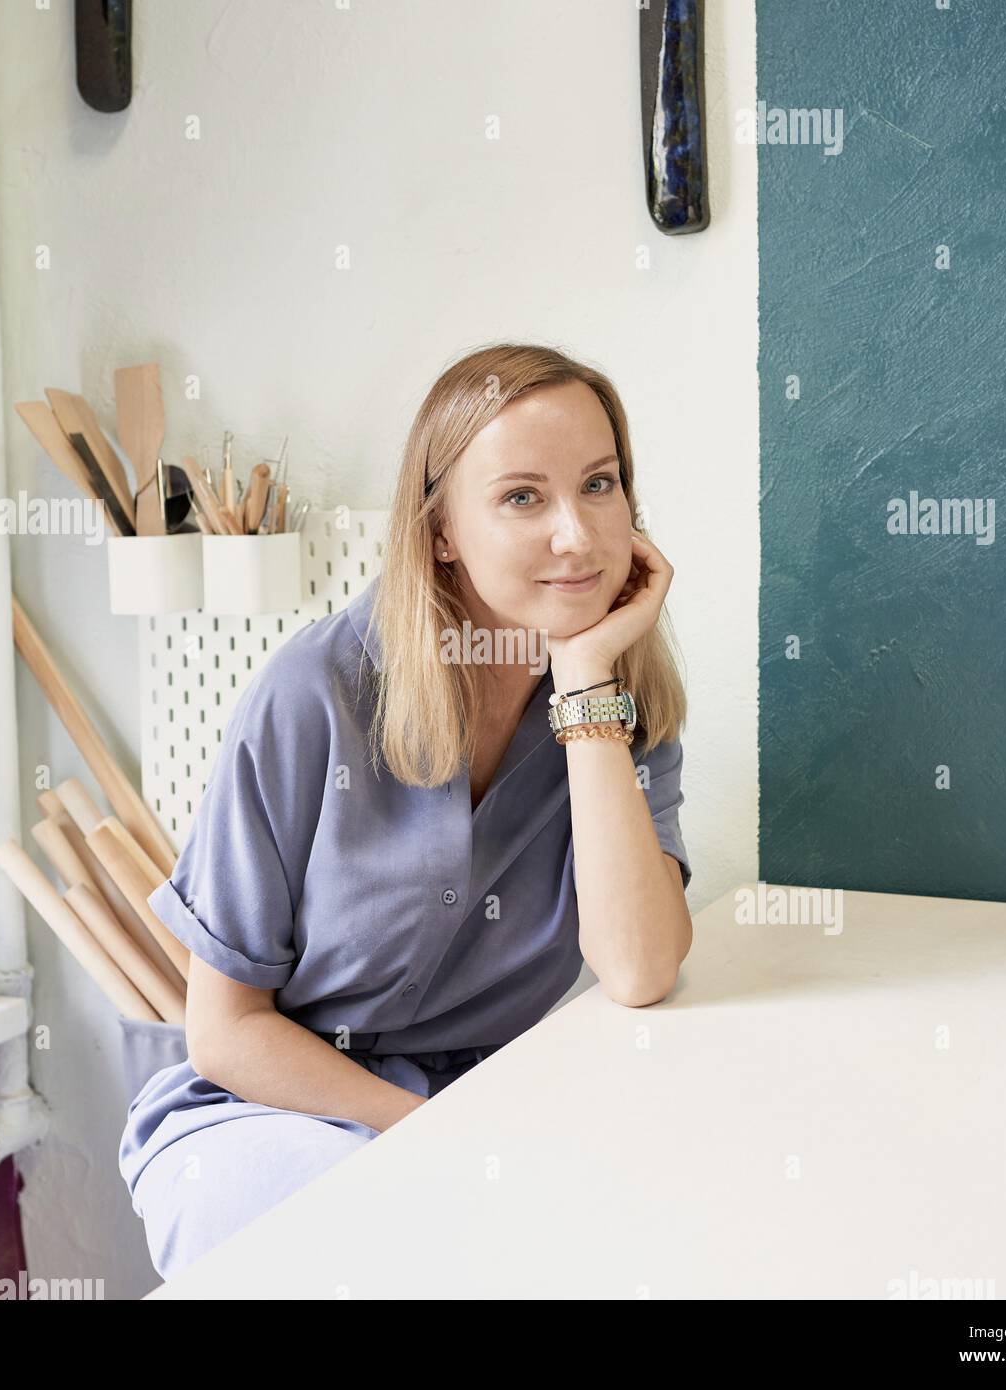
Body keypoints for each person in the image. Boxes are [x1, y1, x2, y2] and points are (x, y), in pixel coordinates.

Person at [117, 342, 694, 1280]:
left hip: (496, 1108)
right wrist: (432, 1136)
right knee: (374, 1239)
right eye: (522, 497)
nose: (579, 537)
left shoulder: (621, 702)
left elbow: (637, 966)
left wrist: (585, 684)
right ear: (440, 532)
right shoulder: (315, 694)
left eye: (600, 484)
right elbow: (224, 1033)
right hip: (270, 1117)